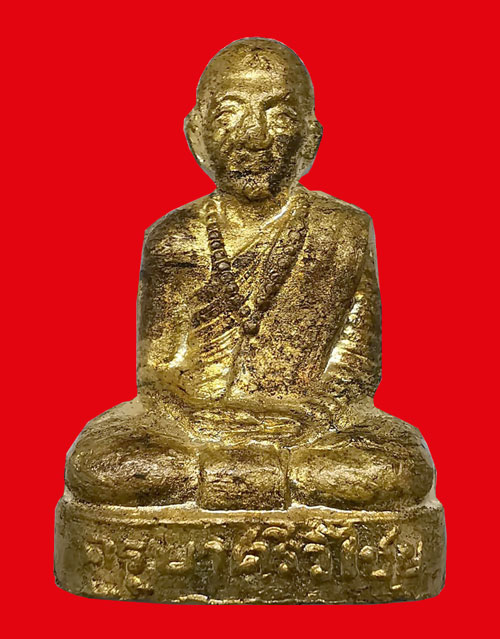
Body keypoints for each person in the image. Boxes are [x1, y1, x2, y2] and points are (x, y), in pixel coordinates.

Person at [65, 38, 434, 512]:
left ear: (311, 138)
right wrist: (200, 422)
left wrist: (309, 418)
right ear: (196, 134)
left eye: (278, 116)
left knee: (398, 467)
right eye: (229, 114)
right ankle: (273, 482)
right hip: (193, 428)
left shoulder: (344, 231)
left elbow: (355, 366)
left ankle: (231, 482)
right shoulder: (174, 237)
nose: (253, 136)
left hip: (311, 430)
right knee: (101, 463)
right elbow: (157, 374)